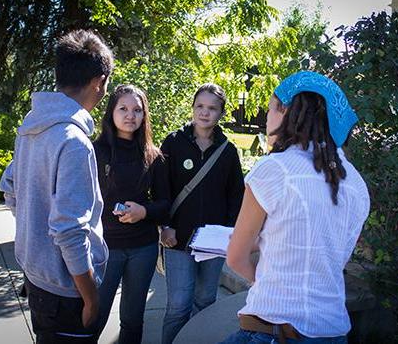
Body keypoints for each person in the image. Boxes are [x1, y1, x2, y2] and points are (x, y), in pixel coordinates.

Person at [222, 71, 370, 344]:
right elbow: (321, 250)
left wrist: (268, 282)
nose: (266, 119)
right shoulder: (357, 185)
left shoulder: (274, 169)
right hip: (334, 332)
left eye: (269, 109)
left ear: (286, 111)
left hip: (274, 331)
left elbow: (235, 258)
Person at [0, 29, 113, 343]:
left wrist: (33, 230)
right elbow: (69, 230)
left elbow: (10, 186)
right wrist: (91, 298)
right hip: (66, 292)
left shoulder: (32, 125)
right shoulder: (74, 142)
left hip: (36, 277)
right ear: (99, 82)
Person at [159, 83, 245, 344]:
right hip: (178, 238)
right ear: (193, 108)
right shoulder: (173, 143)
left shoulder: (228, 151)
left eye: (212, 108)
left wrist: (230, 232)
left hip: (214, 242)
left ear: (221, 113)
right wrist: (165, 226)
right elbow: (162, 188)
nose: (205, 113)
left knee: (206, 301)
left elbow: (236, 195)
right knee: (178, 305)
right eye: (200, 106)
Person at [93, 84, 170, 344]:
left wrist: (144, 211)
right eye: (123, 108)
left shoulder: (153, 155)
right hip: (105, 250)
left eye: (137, 110)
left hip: (143, 248)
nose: (130, 115)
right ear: (111, 112)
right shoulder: (94, 152)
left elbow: (165, 204)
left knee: (133, 319)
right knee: (94, 316)